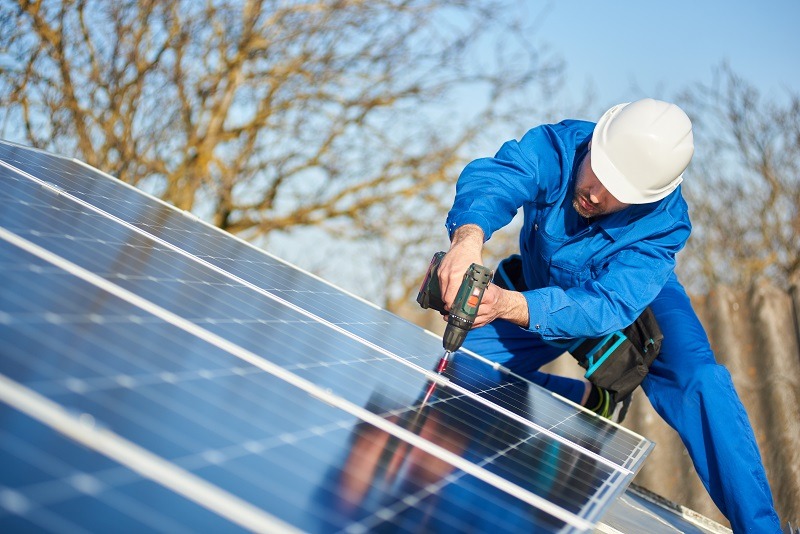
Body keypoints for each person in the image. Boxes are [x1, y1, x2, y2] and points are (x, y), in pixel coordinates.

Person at [437, 98, 780, 533]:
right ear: (594, 144)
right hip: (539, 286)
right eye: (599, 171)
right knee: (456, 372)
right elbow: (499, 178)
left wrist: (507, 305)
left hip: (631, 297)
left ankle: (761, 527)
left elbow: (608, 304)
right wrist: (468, 239)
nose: (597, 193)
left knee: (701, 382)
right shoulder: (558, 147)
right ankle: (587, 399)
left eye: (620, 191)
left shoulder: (665, 223)